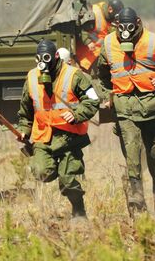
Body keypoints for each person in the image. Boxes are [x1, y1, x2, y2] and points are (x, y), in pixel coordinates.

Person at [97, 7, 155, 215]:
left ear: (137, 22)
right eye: (121, 28)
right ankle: (136, 194)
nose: (125, 31)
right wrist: (107, 95)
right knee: (131, 148)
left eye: (130, 27)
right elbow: (102, 75)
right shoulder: (108, 43)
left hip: (151, 106)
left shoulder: (154, 42)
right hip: (124, 106)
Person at [17, 40, 100, 220]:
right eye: (39, 58)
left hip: (69, 137)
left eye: (46, 58)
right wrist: (24, 129)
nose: (43, 62)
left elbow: (93, 100)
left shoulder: (74, 75)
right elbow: (26, 111)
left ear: (55, 57)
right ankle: (53, 169)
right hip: (43, 136)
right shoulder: (31, 77)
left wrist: (77, 114)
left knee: (68, 181)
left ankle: (79, 210)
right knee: (41, 171)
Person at [76, 0, 124, 72]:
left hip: (99, 57)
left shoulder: (110, 18)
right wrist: (88, 42)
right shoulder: (94, 12)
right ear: (110, 9)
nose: (115, 19)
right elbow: (80, 28)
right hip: (86, 57)